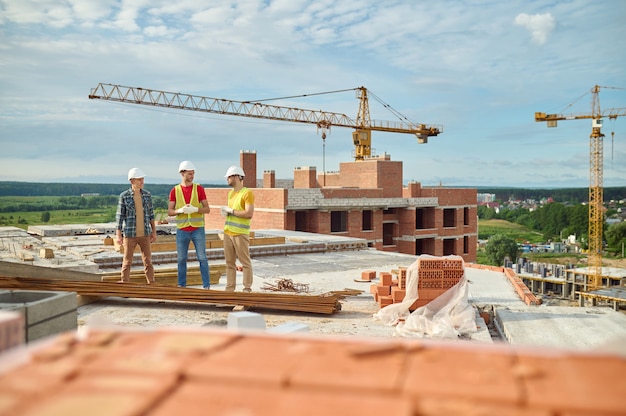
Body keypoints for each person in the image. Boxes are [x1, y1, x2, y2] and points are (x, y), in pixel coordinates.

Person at [167, 161, 211, 289]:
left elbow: (207, 209)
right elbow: (170, 211)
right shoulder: (175, 190)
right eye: (190, 173)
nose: (192, 176)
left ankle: (206, 286)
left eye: (193, 173)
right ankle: (181, 286)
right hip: (182, 230)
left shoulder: (199, 189)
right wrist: (179, 211)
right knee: (181, 259)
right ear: (182, 173)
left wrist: (196, 209)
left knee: (202, 257)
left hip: (198, 229)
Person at [115, 168, 157, 284]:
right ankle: (125, 284)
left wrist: (154, 231)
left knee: (148, 261)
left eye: (142, 179)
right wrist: (119, 235)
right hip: (130, 235)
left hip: (145, 234)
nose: (142, 181)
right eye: (139, 179)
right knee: (127, 261)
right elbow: (119, 217)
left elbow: (151, 215)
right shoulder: (124, 196)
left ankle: (151, 285)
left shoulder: (147, 195)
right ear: (132, 181)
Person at [221, 165, 255, 292]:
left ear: (237, 177)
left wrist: (232, 211)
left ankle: (247, 288)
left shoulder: (247, 193)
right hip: (228, 232)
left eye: (229, 177)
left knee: (245, 263)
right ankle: (229, 289)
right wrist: (227, 212)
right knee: (230, 263)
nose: (227, 180)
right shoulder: (231, 194)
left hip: (240, 233)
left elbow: (249, 213)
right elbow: (233, 212)